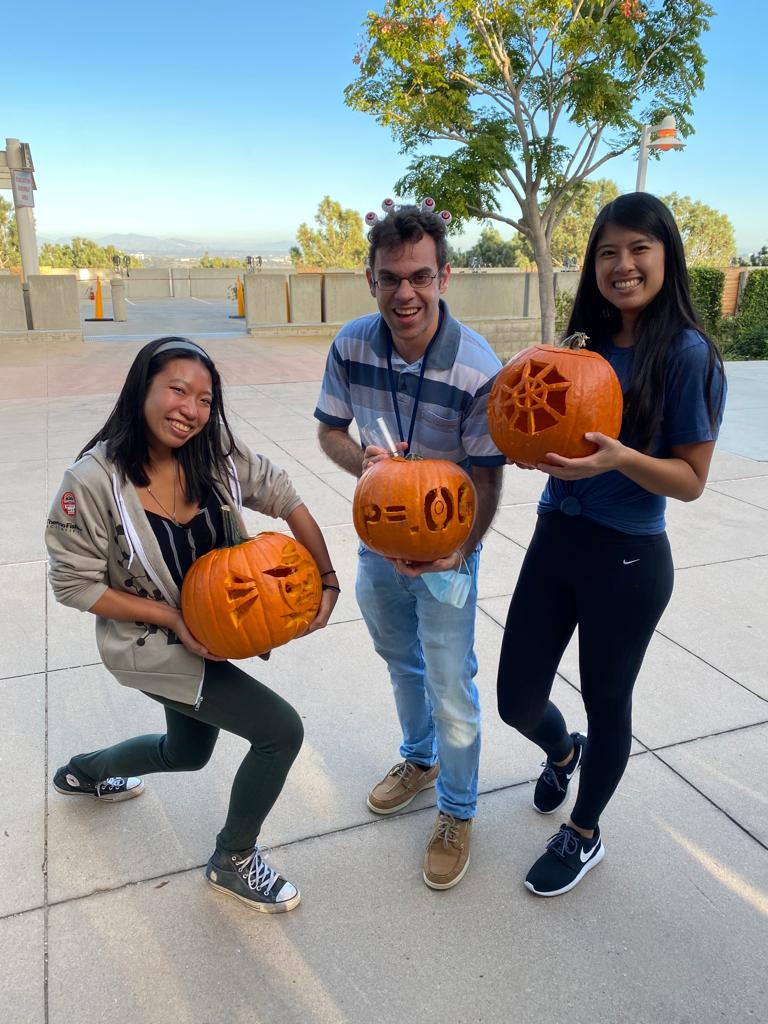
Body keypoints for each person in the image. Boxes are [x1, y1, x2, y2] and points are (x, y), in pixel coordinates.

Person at [45, 336, 339, 913]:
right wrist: (174, 619)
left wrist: (326, 579)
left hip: (211, 629)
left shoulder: (215, 454)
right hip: (151, 644)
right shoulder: (93, 482)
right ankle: (233, 858)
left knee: (187, 752)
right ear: (142, 390)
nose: (191, 408)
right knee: (280, 732)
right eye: (177, 389)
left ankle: (85, 773)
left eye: (205, 398)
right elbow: (73, 584)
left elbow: (284, 496)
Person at [496, 193, 727, 897]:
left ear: (666, 258)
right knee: (515, 699)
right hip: (555, 537)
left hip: (626, 559)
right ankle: (564, 752)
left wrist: (617, 459)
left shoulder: (688, 356)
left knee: (608, 698)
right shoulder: (579, 344)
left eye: (638, 250)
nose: (622, 265)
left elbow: (689, 481)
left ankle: (585, 833)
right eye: (607, 252)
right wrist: (526, 444)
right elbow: (543, 418)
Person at [314, 201, 505, 890]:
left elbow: (487, 475)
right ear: (370, 279)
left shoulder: (477, 366)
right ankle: (419, 760)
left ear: (444, 276)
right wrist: (359, 460)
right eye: (391, 277)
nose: (405, 293)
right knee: (402, 662)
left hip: (450, 549)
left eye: (419, 276)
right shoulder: (353, 344)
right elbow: (329, 429)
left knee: (451, 681)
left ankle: (457, 810)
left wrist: (463, 548)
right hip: (377, 547)